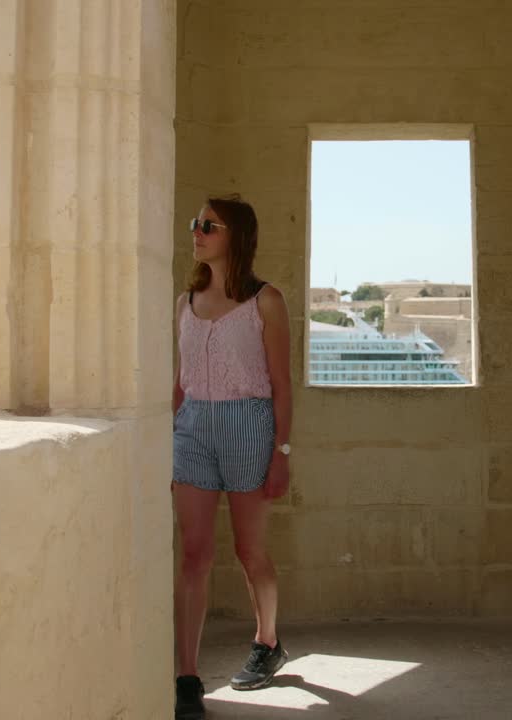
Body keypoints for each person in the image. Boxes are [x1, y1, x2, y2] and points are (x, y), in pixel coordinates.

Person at [171, 195, 293, 720]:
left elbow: (283, 387)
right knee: (194, 554)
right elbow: (179, 383)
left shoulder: (266, 300)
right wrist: (167, 439)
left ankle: (267, 641)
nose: (197, 231)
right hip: (192, 428)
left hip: (250, 428)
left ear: (235, 236)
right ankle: (187, 675)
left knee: (250, 552)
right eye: (195, 224)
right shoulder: (185, 301)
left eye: (209, 225)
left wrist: (281, 453)